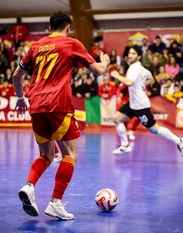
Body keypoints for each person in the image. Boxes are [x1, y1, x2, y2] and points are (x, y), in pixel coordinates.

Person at [12, 11, 110, 220]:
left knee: (46, 155)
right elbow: (98, 71)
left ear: (49, 28)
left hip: (36, 105)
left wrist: (20, 98)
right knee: (70, 154)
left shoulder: (36, 46)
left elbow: (16, 76)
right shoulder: (71, 43)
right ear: (67, 28)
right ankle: (55, 202)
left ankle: (29, 186)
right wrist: (105, 61)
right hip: (58, 105)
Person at [110, 45, 183, 156]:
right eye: (130, 53)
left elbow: (129, 82)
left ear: (139, 56)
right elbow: (151, 78)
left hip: (141, 106)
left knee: (154, 129)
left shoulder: (134, 68)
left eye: (133, 54)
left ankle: (180, 141)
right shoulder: (141, 68)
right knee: (117, 119)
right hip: (133, 103)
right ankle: (125, 145)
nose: (130, 55)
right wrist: (142, 84)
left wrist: (117, 75)